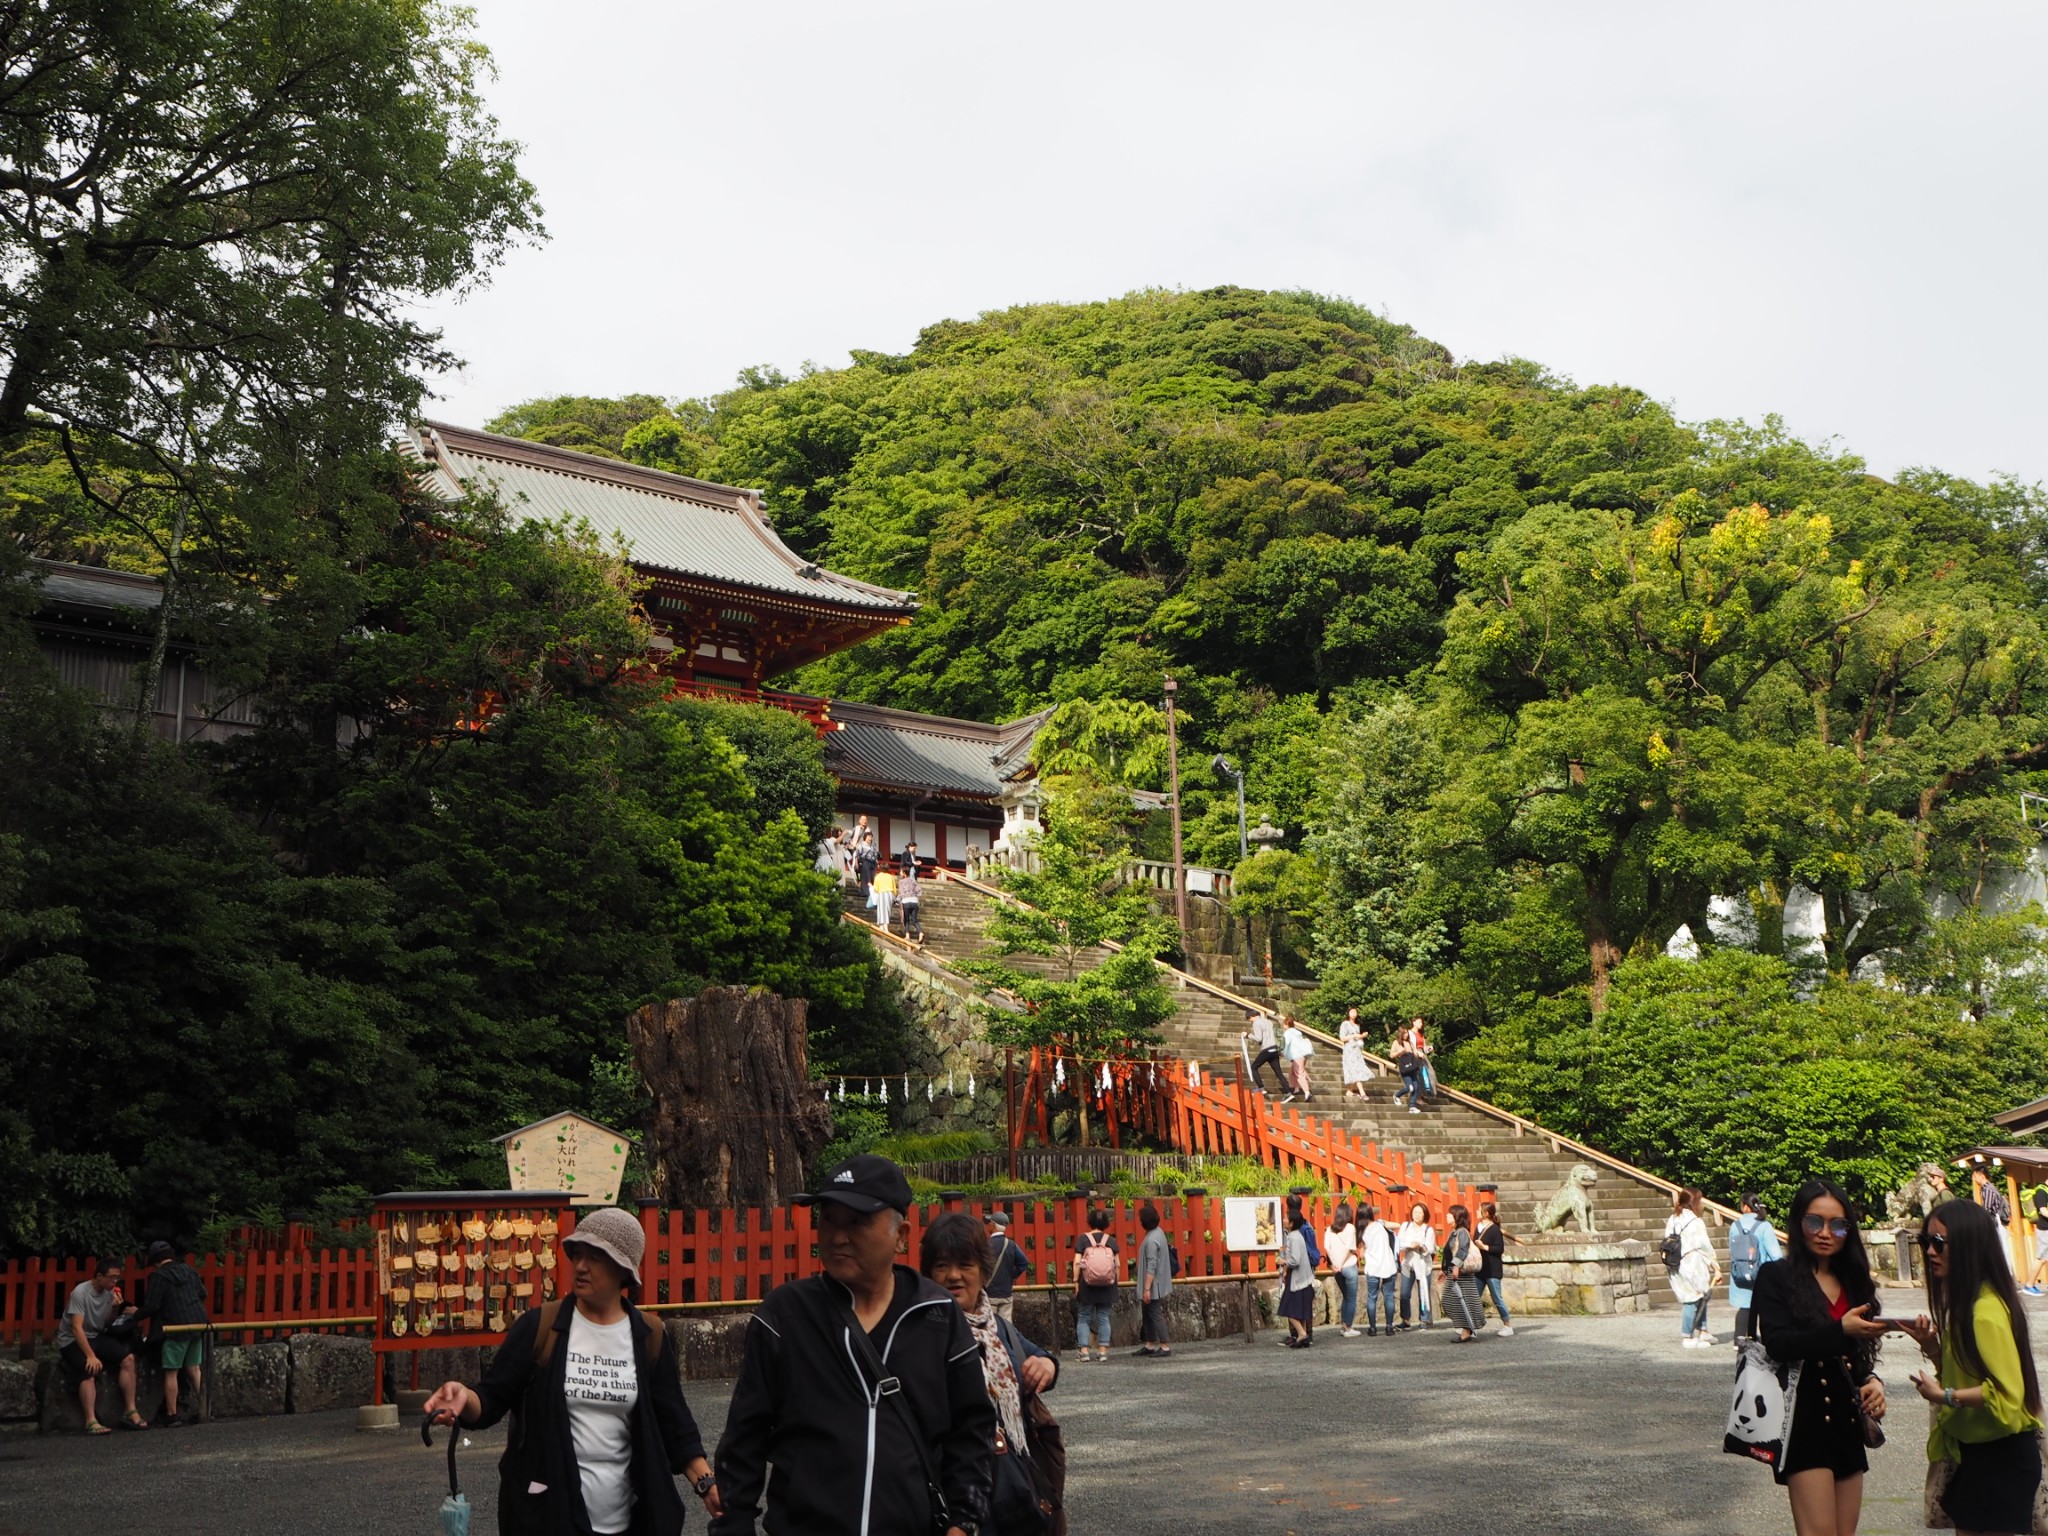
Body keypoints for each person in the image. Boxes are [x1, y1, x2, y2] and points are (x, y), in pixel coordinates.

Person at [711, 1155, 994, 1536]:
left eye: (858, 1222)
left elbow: (971, 1430)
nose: (838, 1236)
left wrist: (963, 1522)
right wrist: (734, 1525)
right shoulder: (786, 1315)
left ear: (902, 1234)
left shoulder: (937, 1315)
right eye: (829, 1219)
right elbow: (744, 1440)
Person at [423, 1207, 714, 1536]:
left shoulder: (649, 1336)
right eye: (578, 1254)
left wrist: (707, 1484)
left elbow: (675, 1424)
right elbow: (491, 1396)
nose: (581, 1266)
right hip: (549, 1515)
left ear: (624, 1270)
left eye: (596, 1257)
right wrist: (465, 1397)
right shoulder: (541, 1327)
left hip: (628, 1518)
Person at [1753, 1178, 1888, 1536]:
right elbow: (1778, 1344)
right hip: (1803, 1422)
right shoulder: (1776, 1276)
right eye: (1815, 1222)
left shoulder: (1854, 1281)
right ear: (1798, 1222)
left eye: (1838, 1225)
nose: (1825, 1232)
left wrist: (1872, 1381)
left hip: (1846, 1422)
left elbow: (1855, 1356)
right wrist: (1839, 1331)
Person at [1901, 1199, 2044, 1536]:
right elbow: (1968, 1373)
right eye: (1926, 1242)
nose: (1930, 1252)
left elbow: (2008, 1396)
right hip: (1981, 1453)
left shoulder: (1984, 1311)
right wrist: (1932, 1348)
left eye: (1939, 1243)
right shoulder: (1970, 1305)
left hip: (2001, 1456)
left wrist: (1945, 1395)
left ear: (1969, 1246)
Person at [919, 1213, 1063, 1536]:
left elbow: (1039, 1356)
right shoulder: (917, 1334)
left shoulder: (998, 1328)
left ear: (984, 1273)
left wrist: (1048, 1366)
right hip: (949, 1490)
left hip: (1009, 1483)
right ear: (928, 1274)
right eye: (942, 1266)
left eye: (965, 1265)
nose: (953, 1276)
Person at [57, 1257, 144, 1433]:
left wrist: (114, 1308)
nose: (114, 1281)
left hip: (96, 1335)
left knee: (128, 1359)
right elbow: (76, 1327)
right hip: (73, 1339)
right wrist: (90, 1355)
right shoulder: (80, 1293)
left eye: (117, 1278)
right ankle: (91, 1421)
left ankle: (130, 1410)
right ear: (99, 1276)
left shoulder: (110, 1293)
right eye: (111, 1277)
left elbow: (106, 1323)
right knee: (89, 1368)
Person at [138, 1239, 209, 1426]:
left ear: (155, 1261)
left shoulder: (159, 1276)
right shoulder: (189, 1270)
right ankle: (205, 1409)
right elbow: (203, 1294)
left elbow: (152, 1305)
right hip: (198, 1323)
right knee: (194, 1368)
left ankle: (171, 1415)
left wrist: (134, 1315)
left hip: (175, 1327)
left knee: (171, 1371)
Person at [1666, 1189, 1720, 1348]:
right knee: (1693, 1299)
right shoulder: (1696, 1222)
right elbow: (1705, 1246)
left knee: (1698, 1296)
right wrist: (1715, 1267)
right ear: (1694, 1202)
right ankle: (1688, 1334)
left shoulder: (1673, 1218)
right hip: (1692, 1264)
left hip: (1675, 1263)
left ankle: (1703, 1330)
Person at [1728, 1191, 1784, 1339]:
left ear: (1746, 1206)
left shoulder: (1735, 1225)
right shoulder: (1764, 1226)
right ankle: (1761, 1339)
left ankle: (1739, 1339)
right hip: (1760, 1273)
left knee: (1745, 1307)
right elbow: (1775, 1254)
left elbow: (1732, 1250)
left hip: (1740, 1271)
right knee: (1764, 1307)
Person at [1071, 1208, 1120, 1364]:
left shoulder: (1083, 1240)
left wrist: (1075, 1281)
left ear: (1089, 1222)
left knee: (1084, 1317)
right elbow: (1117, 1264)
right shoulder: (1111, 1241)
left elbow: (1077, 1262)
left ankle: (1084, 1351)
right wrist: (1114, 1280)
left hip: (1087, 1284)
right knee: (1103, 1317)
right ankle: (1103, 1351)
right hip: (1107, 1284)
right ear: (1106, 1223)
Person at [1439, 1205, 1485, 1343]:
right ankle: (1467, 1326)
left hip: (1461, 1273)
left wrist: (1456, 1267)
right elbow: (1448, 1254)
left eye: (1450, 1214)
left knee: (1462, 1299)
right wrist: (1444, 1270)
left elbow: (1462, 1250)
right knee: (1453, 1299)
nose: (1447, 1216)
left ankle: (1467, 1329)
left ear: (1457, 1217)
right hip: (1454, 1272)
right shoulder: (1453, 1232)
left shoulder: (1461, 1232)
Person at [1133, 1204, 1174, 1358]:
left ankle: (1164, 1346)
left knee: (1155, 1313)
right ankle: (1149, 1343)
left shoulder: (1151, 1240)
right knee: (1148, 1313)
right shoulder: (1159, 1233)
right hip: (1157, 1281)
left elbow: (1151, 1264)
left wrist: (1147, 1288)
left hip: (1153, 1283)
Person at [1278, 1207, 1317, 1348]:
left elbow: (1295, 1260)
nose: (1283, 1220)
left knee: (1288, 1308)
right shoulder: (1298, 1235)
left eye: (1286, 1218)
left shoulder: (1293, 1237)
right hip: (1305, 1278)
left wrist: (1283, 1262)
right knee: (1302, 1308)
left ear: (1292, 1223)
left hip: (1297, 1279)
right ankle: (1304, 1334)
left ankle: (1301, 1333)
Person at [1475, 1202, 1514, 1338]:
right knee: (1473, 1297)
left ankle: (1507, 1324)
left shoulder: (1494, 1229)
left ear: (1485, 1213)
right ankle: (1470, 1327)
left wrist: (1484, 1247)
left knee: (1497, 1298)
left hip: (1492, 1269)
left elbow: (1499, 1249)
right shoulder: (1478, 1227)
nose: (1476, 1211)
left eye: (1479, 1210)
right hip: (1480, 1268)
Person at [1359, 1204, 1399, 1337]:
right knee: (1388, 1296)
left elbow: (1361, 1254)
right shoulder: (1380, 1224)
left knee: (1372, 1297)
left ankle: (1372, 1328)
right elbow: (1396, 1225)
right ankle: (1389, 1327)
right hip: (1388, 1265)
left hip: (1373, 1267)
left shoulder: (1361, 1232)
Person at [1395, 1202, 1436, 1330]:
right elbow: (1399, 1243)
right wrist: (1409, 1245)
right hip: (1408, 1264)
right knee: (1404, 1293)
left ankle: (1424, 1319)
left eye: (1420, 1213)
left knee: (1423, 1292)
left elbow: (1430, 1249)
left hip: (1423, 1265)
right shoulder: (1405, 1226)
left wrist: (1421, 1246)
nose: (1417, 1215)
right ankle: (1405, 1319)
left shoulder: (1428, 1230)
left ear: (1425, 1215)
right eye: (1415, 1212)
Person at [985, 1211, 1029, 1325]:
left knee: (991, 1328)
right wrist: (1012, 1276)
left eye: (990, 1223)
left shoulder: (986, 1245)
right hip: (1006, 1293)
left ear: (993, 1225)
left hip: (989, 1294)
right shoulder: (1011, 1245)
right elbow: (1023, 1263)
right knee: (1007, 1328)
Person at [1324, 1202, 1361, 1338]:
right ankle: (1348, 1326)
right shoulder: (1350, 1228)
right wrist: (1340, 1263)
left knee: (1345, 1296)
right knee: (1351, 1298)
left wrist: (1334, 1263)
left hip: (1336, 1269)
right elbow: (1349, 1248)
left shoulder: (1329, 1229)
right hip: (1348, 1265)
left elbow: (1326, 1247)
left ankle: (1343, 1325)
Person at [1973, 1166, 2016, 1273]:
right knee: (2001, 1249)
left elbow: (1986, 1209)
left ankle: (2007, 1277)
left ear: (1981, 1176)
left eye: (1975, 1176)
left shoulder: (1988, 1189)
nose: (1974, 1179)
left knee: (2001, 1249)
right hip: (1998, 1223)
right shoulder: (1990, 1188)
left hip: (1996, 1224)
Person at [1243, 1010, 1284, 1096]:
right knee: (1278, 1072)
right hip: (1274, 1048)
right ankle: (1288, 1092)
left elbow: (1258, 1038)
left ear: (1251, 1017)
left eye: (1249, 1019)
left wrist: (1247, 1035)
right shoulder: (1268, 1021)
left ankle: (1260, 1087)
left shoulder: (1256, 1023)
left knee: (1254, 1067)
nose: (1250, 1021)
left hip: (1266, 1049)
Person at [1338, 1008, 1370, 1099]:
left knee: (1356, 1070)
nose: (1353, 1013)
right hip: (1349, 1050)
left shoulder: (1357, 1025)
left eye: (1355, 1012)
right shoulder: (1345, 1024)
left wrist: (1362, 1036)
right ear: (1348, 1013)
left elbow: (1357, 1037)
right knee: (1355, 1070)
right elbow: (1342, 1038)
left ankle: (1350, 1091)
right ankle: (1362, 1092)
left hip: (1357, 1050)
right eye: (1351, 1012)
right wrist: (1354, 1036)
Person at [1281, 1017, 1315, 1102]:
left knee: (1299, 1073)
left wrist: (1281, 1053)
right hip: (1303, 1055)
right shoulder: (1297, 1033)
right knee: (1292, 1072)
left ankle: (1307, 1092)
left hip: (1297, 1056)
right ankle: (1295, 1089)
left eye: (1284, 1024)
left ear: (1286, 1024)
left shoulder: (1288, 1033)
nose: (1283, 1026)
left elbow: (1285, 1044)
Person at [898, 859, 923, 943]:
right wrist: (916, 897)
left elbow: (901, 893)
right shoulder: (913, 880)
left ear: (904, 873)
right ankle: (920, 933)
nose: (900, 873)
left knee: (907, 919)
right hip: (915, 901)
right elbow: (919, 890)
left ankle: (907, 935)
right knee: (914, 919)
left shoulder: (901, 882)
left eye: (901, 872)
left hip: (906, 901)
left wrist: (896, 900)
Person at [870, 863, 898, 931]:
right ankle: (882, 926)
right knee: (888, 910)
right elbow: (895, 888)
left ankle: (885, 928)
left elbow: (876, 889)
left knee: (882, 911)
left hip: (882, 893)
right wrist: (895, 897)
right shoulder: (891, 877)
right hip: (890, 894)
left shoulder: (878, 876)